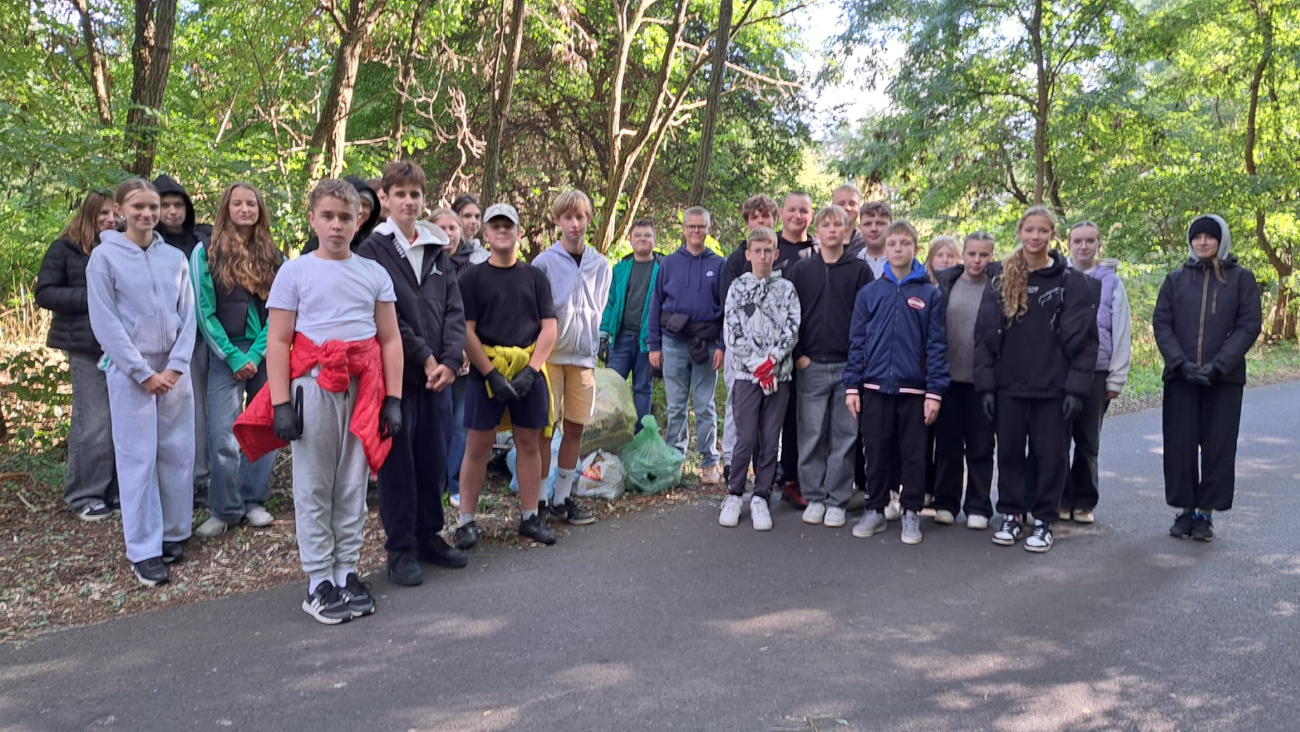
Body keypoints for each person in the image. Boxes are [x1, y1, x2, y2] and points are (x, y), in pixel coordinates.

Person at [234, 178, 404, 624]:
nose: (336, 225)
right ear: (313, 219)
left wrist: (394, 398)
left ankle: (346, 570)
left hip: (363, 390)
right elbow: (278, 340)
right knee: (314, 485)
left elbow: (389, 340)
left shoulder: (373, 273)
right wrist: (281, 402)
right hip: (313, 386)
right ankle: (318, 581)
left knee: (352, 483)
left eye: (345, 217)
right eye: (327, 216)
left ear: (359, 221)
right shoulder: (296, 271)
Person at [356, 161, 470, 586]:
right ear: (384, 198)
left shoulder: (437, 248)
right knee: (399, 463)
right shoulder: (372, 251)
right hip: (399, 376)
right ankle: (400, 548)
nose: (408, 201)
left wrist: (450, 358)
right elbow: (389, 317)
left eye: (415, 194)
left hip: (439, 376)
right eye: (399, 194)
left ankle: (428, 535)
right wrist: (424, 358)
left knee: (433, 457)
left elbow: (454, 309)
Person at [86, 178, 196, 587]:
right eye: (138, 207)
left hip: (173, 371)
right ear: (119, 210)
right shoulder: (104, 258)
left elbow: (189, 314)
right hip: (133, 372)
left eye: (153, 207)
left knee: (176, 451)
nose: (148, 214)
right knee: (138, 457)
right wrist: (142, 372)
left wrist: (176, 365)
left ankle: (172, 532)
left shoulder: (174, 259)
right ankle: (144, 549)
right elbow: (106, 322)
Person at [974, 206, 1098, 554]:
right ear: (1020, 232)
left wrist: (1076, 388)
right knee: (1010, 454)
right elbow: (983, 336)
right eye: (1029, 230)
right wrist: (985, 385)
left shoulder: (1071, 282)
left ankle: (1043, 520)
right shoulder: (1001, 278)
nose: (1035, 237)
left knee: (1051, 456)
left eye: (1042, 231)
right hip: (1009, 386)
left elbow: (1086, 342)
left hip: (1053, 390)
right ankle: (1012, 515)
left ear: (1052, 235)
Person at [452, 203, 558, 549]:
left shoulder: (534, 277)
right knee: (478, 445)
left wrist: (530, 371)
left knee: (529, 443)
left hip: (528, 366)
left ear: (518, 233)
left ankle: (530, 517)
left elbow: (549, 328)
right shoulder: (472, 278)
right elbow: (467, 331)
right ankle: (466, 521)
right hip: (488, 368)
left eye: (507, 225)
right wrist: (490, 374)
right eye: (495, 225)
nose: (501, 230)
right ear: (485, 233)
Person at [1154, 215, 1261, 542]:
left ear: (1221, 240)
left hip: (1224, 381)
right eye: (1197, 236)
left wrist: (1218, 366)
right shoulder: (1175, 279)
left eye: (1209, 237)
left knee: (1217, 447)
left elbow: (1248, 325)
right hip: (1180, 378)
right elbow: (1162, 324)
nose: (1202, 242)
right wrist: (1181, 364)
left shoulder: (1241, 279)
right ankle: (1185, 509)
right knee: (1180, 446)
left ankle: (1205, 515)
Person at [845, 221, 948, 546]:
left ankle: (911, 512)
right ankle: (875, 509)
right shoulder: (869, 293)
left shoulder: (929, 294)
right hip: (874, 388)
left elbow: (936, 345)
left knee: (915, 454)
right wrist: (852, 386)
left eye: (905, 243)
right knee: (875, 451)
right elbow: (857, 342)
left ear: (916, 249)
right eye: (893, 244)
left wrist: (934, 392)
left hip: (915, 392)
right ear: (885, 249)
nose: (898, 249)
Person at [191, 183, 283, 538]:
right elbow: (203, 310)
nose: (245, 209)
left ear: (259, 209)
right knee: (223, 434)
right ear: (226, 209)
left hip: (265, 352)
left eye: (251, 204)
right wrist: (232, 355)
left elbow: (279, 308)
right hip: (224, 353)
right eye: (237, 204)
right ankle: (224, 509)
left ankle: (252, 500)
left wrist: (258, 354)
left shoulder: (273, 255)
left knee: (266, 428)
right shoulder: (206, 252)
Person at [786, 205, 873, 528]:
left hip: (848, 367)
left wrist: (859, 362)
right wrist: (798, 355)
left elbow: (866, 321)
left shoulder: (859, 271)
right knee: (810, 434)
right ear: (817, 231)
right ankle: (814, 496)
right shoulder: (801, 271)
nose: (832, 229)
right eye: (826, 224)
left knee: (845, 436)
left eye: (838, 224)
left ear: (847, 229)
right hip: (810, 366)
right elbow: (789, 316)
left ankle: (836, 499)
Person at [36, 192, 119, 521]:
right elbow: (45, 292)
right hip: (86, 345)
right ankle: (84, 493)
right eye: (103, 214)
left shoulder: (124, 247)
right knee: (93, 422)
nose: (110, 220)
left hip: (121, 348)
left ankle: (112, 491)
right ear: (89, 214)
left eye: (115, 213)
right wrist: (93, 296)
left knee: (119, 422)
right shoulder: (65, 248)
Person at [532, 189, 611, 526]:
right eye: (568, 217)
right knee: (544, 431)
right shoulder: (543, 262)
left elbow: (599, 306)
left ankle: (563, 499)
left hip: (583, 358)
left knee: (575, 428)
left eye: (580, 217)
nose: (574, 224)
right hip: (549, 357)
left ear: (588, 220)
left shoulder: (601, 264)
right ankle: (537, 500)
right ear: (557, 221)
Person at [718, 227, 799, 531]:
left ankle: (761, 496)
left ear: (776, 254)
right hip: (746, 376)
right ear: (748, 254)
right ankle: (735, 493)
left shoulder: (786, 289)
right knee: (746, 437)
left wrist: (773, 361)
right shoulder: (737, 288)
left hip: (779, 375)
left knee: (769, 438)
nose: (763, 256)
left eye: (769, 251)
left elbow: (792, 328)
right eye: (757, 251)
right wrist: (756, 365)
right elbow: (733, 332)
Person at [1060, 221, 1132, 524]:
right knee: (1058, 439)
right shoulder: (1058, 277)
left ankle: (1085, 501)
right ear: (1068, 244)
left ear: (1099, 245)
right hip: (1059, 373)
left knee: (1088, 441)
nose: (1083, 246)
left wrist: (1116, 377)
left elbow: (1121, 332)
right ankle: (1061, 499)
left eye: (1090, 241)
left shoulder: (1112, 283)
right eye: (1077, 241)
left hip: (1097, 372)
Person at [648, 207, 725, 484]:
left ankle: (709, 462)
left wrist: (723, 346)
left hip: (707, 342)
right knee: (676, 405)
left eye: (700, 226)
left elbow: (727, 309)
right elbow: (655, 305)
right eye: (691, 226)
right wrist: (653, 345)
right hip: (673, 341)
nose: (695, 231)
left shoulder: (719, 264)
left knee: (705, 405)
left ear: (708, 228)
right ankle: (674, 460)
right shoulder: (668, 263)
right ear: (683, 229)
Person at [932, 232, 999, 529]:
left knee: (981, 446)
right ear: (964, 255)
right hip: (948, 380)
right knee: (947, 445)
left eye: (983, 255)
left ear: (991, 257)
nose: (977, 260)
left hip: (982, 383)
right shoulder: (948, 284)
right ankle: (945, 503)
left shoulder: (997, 288)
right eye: (972, 254)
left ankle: (978, 507)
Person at [153, 174, 212, 507]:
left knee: (197, 408)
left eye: (177, 205)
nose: (172, 211)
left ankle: (199, 477)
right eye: (164, 205)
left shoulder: (202, 239)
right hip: (157, 339)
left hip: (200, 336)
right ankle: (161, 479)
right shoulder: (143, 243)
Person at [718, 194, 779, 484]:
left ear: (774, 220)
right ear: (747, 222)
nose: (761, 221)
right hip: (740, 350)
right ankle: (732, 460)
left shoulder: (782, 258)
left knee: (771, 407)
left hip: (774, 352)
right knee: (737, 404)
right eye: (755, 217)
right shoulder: (735, 260)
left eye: (766, 216)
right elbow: (727, 309)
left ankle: (769, 463)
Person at [433, 206, 487, 510]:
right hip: (433, 358)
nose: (449, 233)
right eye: (441, 228)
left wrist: (466, 350)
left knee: (460, 422)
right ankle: (435, 481)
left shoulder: (473, 267)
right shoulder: (425, 265)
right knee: (435, 422)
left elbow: (477, 314)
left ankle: (456, 484)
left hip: (465, 357)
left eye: (453, 228)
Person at [773, 192, 817, 505]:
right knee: (770, 417)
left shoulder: (820, 250)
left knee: (801, 418)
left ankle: (796, 478)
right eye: (791, 210)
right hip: (769, 350)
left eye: (803, 210)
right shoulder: (767, 247)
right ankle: (770, 476)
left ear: (811, 215)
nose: (797, 216)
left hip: (808, 350)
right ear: (780, 212)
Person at [599, 219, 660, 427]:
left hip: (647, 342)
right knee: (611, 387)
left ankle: (639, 436)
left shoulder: (662, 269)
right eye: (638, 235)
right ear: (630, 240)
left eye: (647, 235)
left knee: (643, 389)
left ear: (655, 239)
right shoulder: (620, 268)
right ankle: (610, 432)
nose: (643, 239)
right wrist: (603, 336)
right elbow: (610, 302)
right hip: (621, 339)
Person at [300, 175, 381, 254]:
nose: (360, 210)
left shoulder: (373, 248)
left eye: (366, 205)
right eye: (328, 216)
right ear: (312, 219)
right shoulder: (312, 247)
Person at [856, 201, 892, 278]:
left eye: (880, 223)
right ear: (860, 228)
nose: (873, 229)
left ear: (891, 227)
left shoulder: (903, 262)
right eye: (867, 224)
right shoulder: (854, 261)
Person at [832, 184, 865, 258]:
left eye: (852, 204)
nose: (847, 208)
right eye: (841, 203)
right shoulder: (820, 244)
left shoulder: (867, 243)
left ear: (859, 208)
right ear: (832, 207)